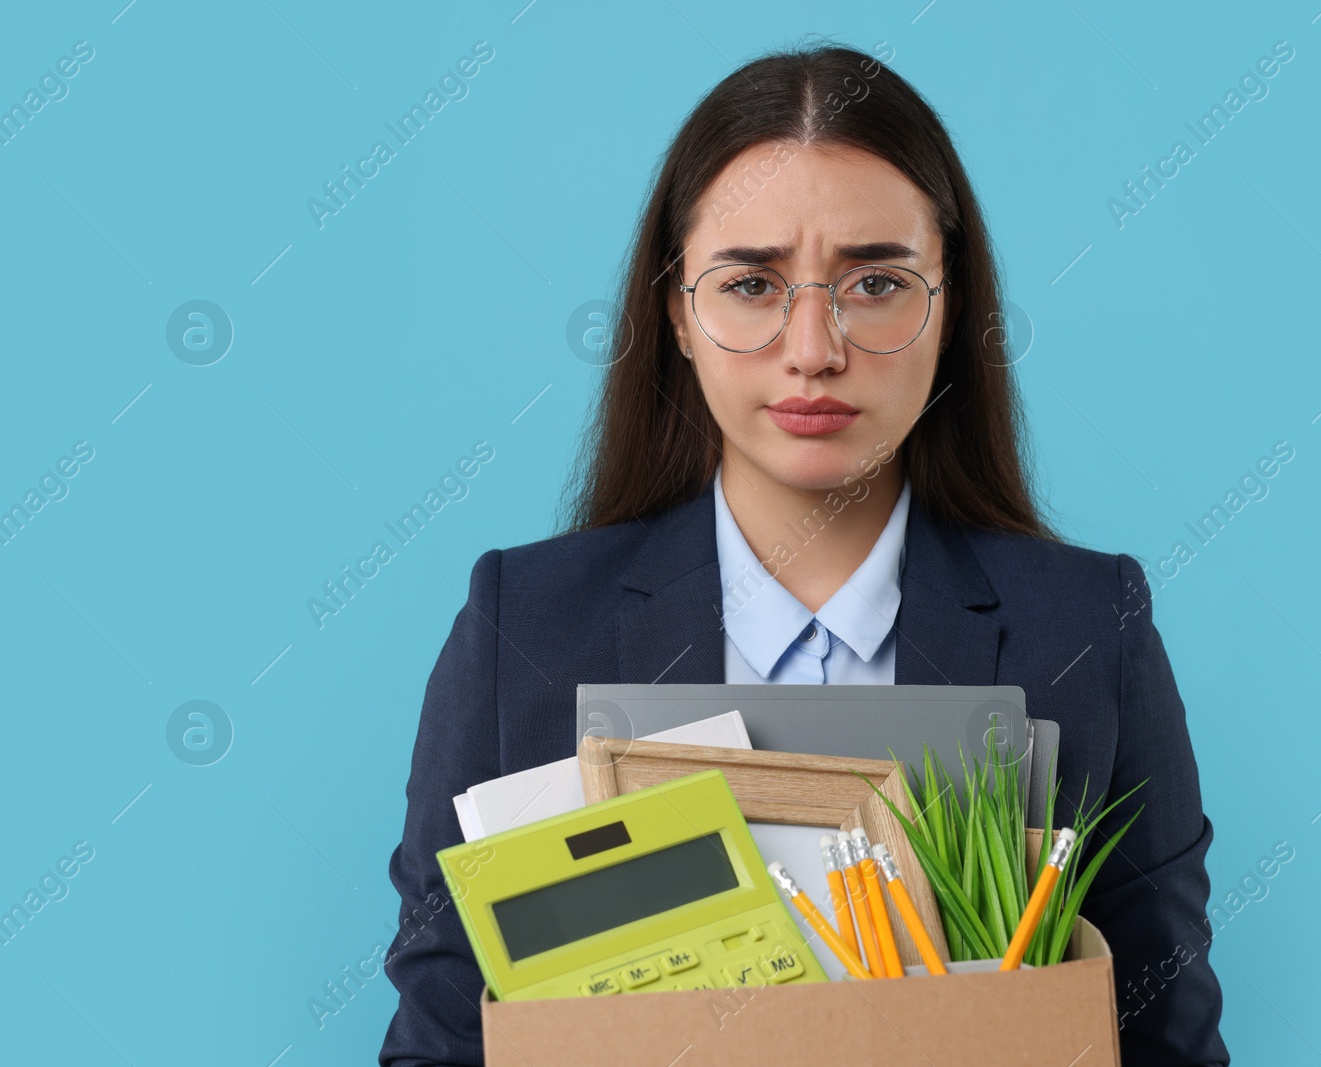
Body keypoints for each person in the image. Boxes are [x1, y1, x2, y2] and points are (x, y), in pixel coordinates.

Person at [379, 40, 1228, 1067]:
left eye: (876, 281)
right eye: (749, 283)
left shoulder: (1091, 630)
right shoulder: (525, 627)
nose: (814, 346)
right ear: (676, 316)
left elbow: (1166, 1042)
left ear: (950, 311)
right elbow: (439, 1043)